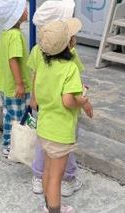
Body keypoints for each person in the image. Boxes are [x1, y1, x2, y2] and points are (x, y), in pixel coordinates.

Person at [35, 18, 92, 213]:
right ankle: (54, 210)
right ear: (68, 43)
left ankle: (47, 206)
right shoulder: (70, 68)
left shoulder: (43, 65)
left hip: (44, 127)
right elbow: (68, 101)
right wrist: (82, 101)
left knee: (47, 171)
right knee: (56, 177)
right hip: (60, 131)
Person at [28, 0, 84, 197]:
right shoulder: (70, 56)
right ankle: (67, 179)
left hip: (46, 108)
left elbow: (35, 74)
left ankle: (38, 176)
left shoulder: (38, 51)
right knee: (63, 147)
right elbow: (73, 89)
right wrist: (83, 99)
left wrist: (33, 97)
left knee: (44, 145)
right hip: (64, 114)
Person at [0, 0, 31, 157]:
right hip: (14, 86)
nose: (26, 9)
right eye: (23, 8)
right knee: (17, 118)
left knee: (9, 115)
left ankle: (9, 144)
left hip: (5, 84)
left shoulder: (5, 32)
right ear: (16, 15)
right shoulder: (15, 36)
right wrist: (20, 83)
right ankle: (12, 147)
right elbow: (13, 60)